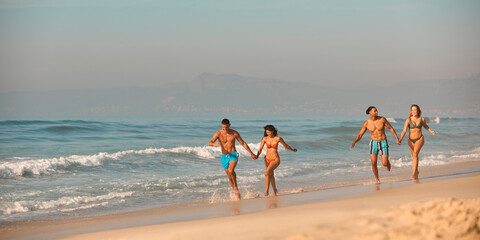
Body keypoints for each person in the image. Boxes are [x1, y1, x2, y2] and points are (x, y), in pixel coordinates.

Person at [209, 119, 257, 199]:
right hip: (224, 156)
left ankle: (236, 188)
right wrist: (214, 144)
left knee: (231, 170)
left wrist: (251, 153)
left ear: (229, 125)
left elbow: (243, 143)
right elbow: (210, 142)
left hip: (233, 154)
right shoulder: (218, 133)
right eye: (223, 128)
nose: (225, 129)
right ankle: (234, 189)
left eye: (226, 127)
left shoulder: (234, 133)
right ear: (222, 125)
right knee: (229, 175)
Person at [351, 106, 400, 183]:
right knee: (373, 162)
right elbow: (360, 134)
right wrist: (354, 142)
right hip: (373, 143)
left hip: (383, 142)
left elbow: (390, 128)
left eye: (376, 111)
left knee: (384, 163)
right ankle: (377, 179)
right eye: (374, 111)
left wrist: (397, 138)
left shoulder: (382, 119)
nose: (376, 112)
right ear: (370, 112)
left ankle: (387, 163)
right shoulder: (366, 123)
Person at [256, 125, 297, 196]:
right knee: (271, 174)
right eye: (267, 132)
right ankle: (275, 190)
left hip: (275, 159)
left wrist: (293, 150)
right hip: (267, 159)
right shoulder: (265, 138)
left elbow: (286, 146)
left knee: (266, 173)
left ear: (273, 131)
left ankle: (267, 191)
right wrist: (257, 156)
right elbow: (260, 149)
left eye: (269, 132)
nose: (268, 133)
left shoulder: (278, 138)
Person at [399, 104, 436, 180]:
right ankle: (416, 171)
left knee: (415, 154)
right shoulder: (408, 120)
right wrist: (400, 139)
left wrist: (431, 131)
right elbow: (404, 130)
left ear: (418, 111)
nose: (414, 111)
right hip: (410, 140)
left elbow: (425, 126)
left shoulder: (422, 119)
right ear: (411, 111)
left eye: (415, 110)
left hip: (420, 138)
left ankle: (413, 173)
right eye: (412, 110)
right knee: (414, 156)